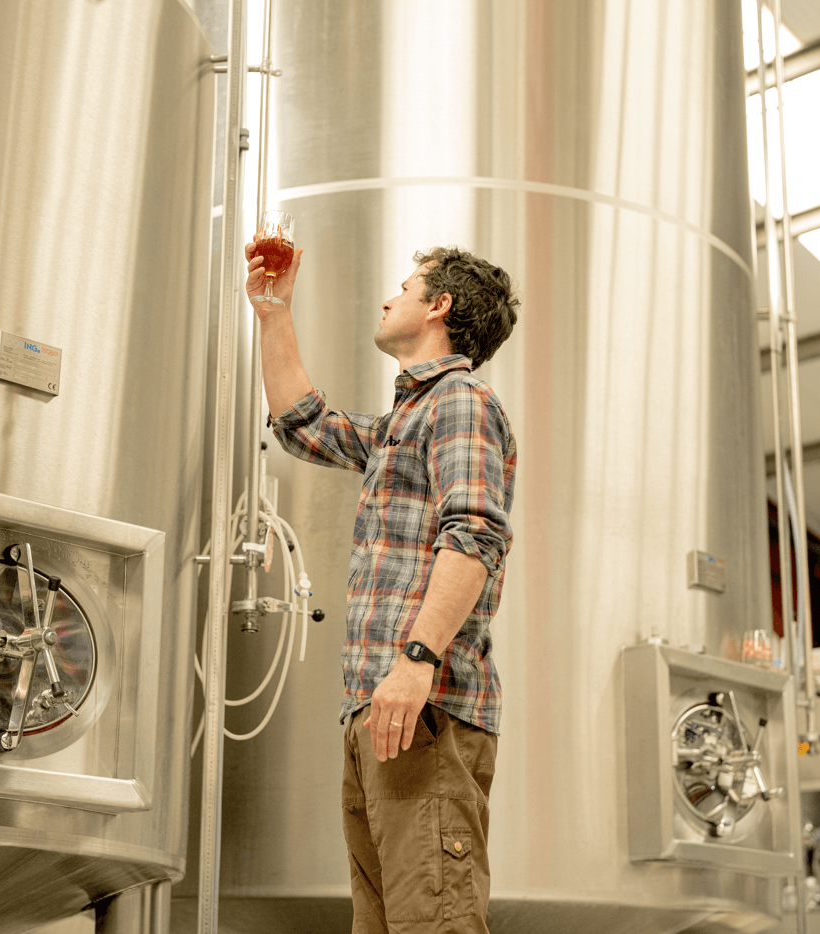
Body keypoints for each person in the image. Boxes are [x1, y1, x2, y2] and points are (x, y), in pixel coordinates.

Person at [244, 236, 519, 934]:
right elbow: (305, 427)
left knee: (436, 923)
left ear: (440, 305)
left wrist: (416, 660)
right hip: (381, 711)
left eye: (406, 284)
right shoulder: (405, 421)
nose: (390, 294)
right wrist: (273, 314)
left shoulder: (461, 403)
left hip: (424, 705)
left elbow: (475, 536)